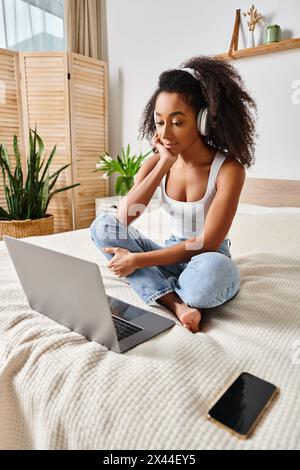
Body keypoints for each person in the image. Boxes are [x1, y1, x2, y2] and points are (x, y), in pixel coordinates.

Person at [90, 55, 257, 333]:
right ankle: (176, 304)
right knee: (102, 227)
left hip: (207, 258)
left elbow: (206, 242)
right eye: (159, 122)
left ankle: (159, 288)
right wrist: (163, 163)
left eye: (177, 122)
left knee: (214, 275)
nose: (165, 133)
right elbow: (122, 218)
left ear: (203, 120)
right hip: (168, 253)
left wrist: (137, 261)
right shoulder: (158, 160)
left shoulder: (229, 169)